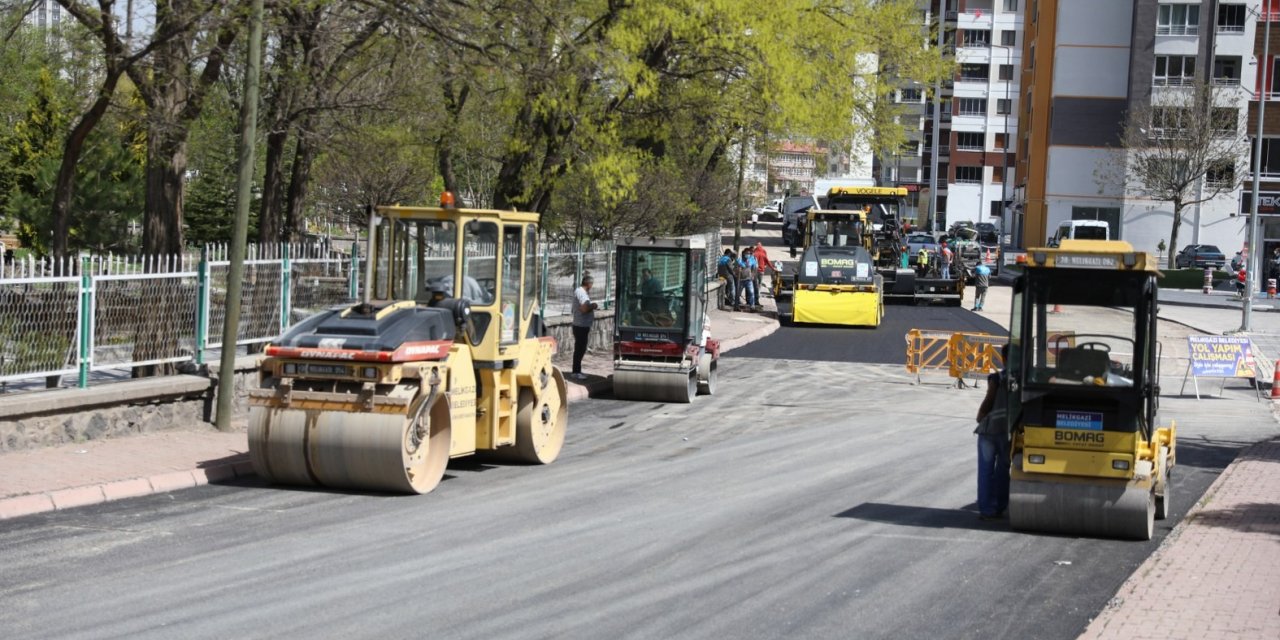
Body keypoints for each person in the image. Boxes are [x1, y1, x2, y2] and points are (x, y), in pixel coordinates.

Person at [974, 344, 1012, 520]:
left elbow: (989, 400)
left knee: (985, 471)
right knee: (1003, 470)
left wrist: (980, 416)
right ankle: (1000, 505)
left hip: (989, 431)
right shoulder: (1022, 380)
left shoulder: (997, 378)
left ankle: (987, 509)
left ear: (1003, 359)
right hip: (1007, 432)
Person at [570, 274, 598, 380]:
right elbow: (584, 309)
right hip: (580, 326)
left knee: (581, 348)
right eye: (591, 284)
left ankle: (578, 370)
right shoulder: (581, 292)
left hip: (582, 325)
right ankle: (576, 372)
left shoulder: (581, 292)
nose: (592, 286)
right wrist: (593, 306)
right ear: (588, 283)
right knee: (579, 349)